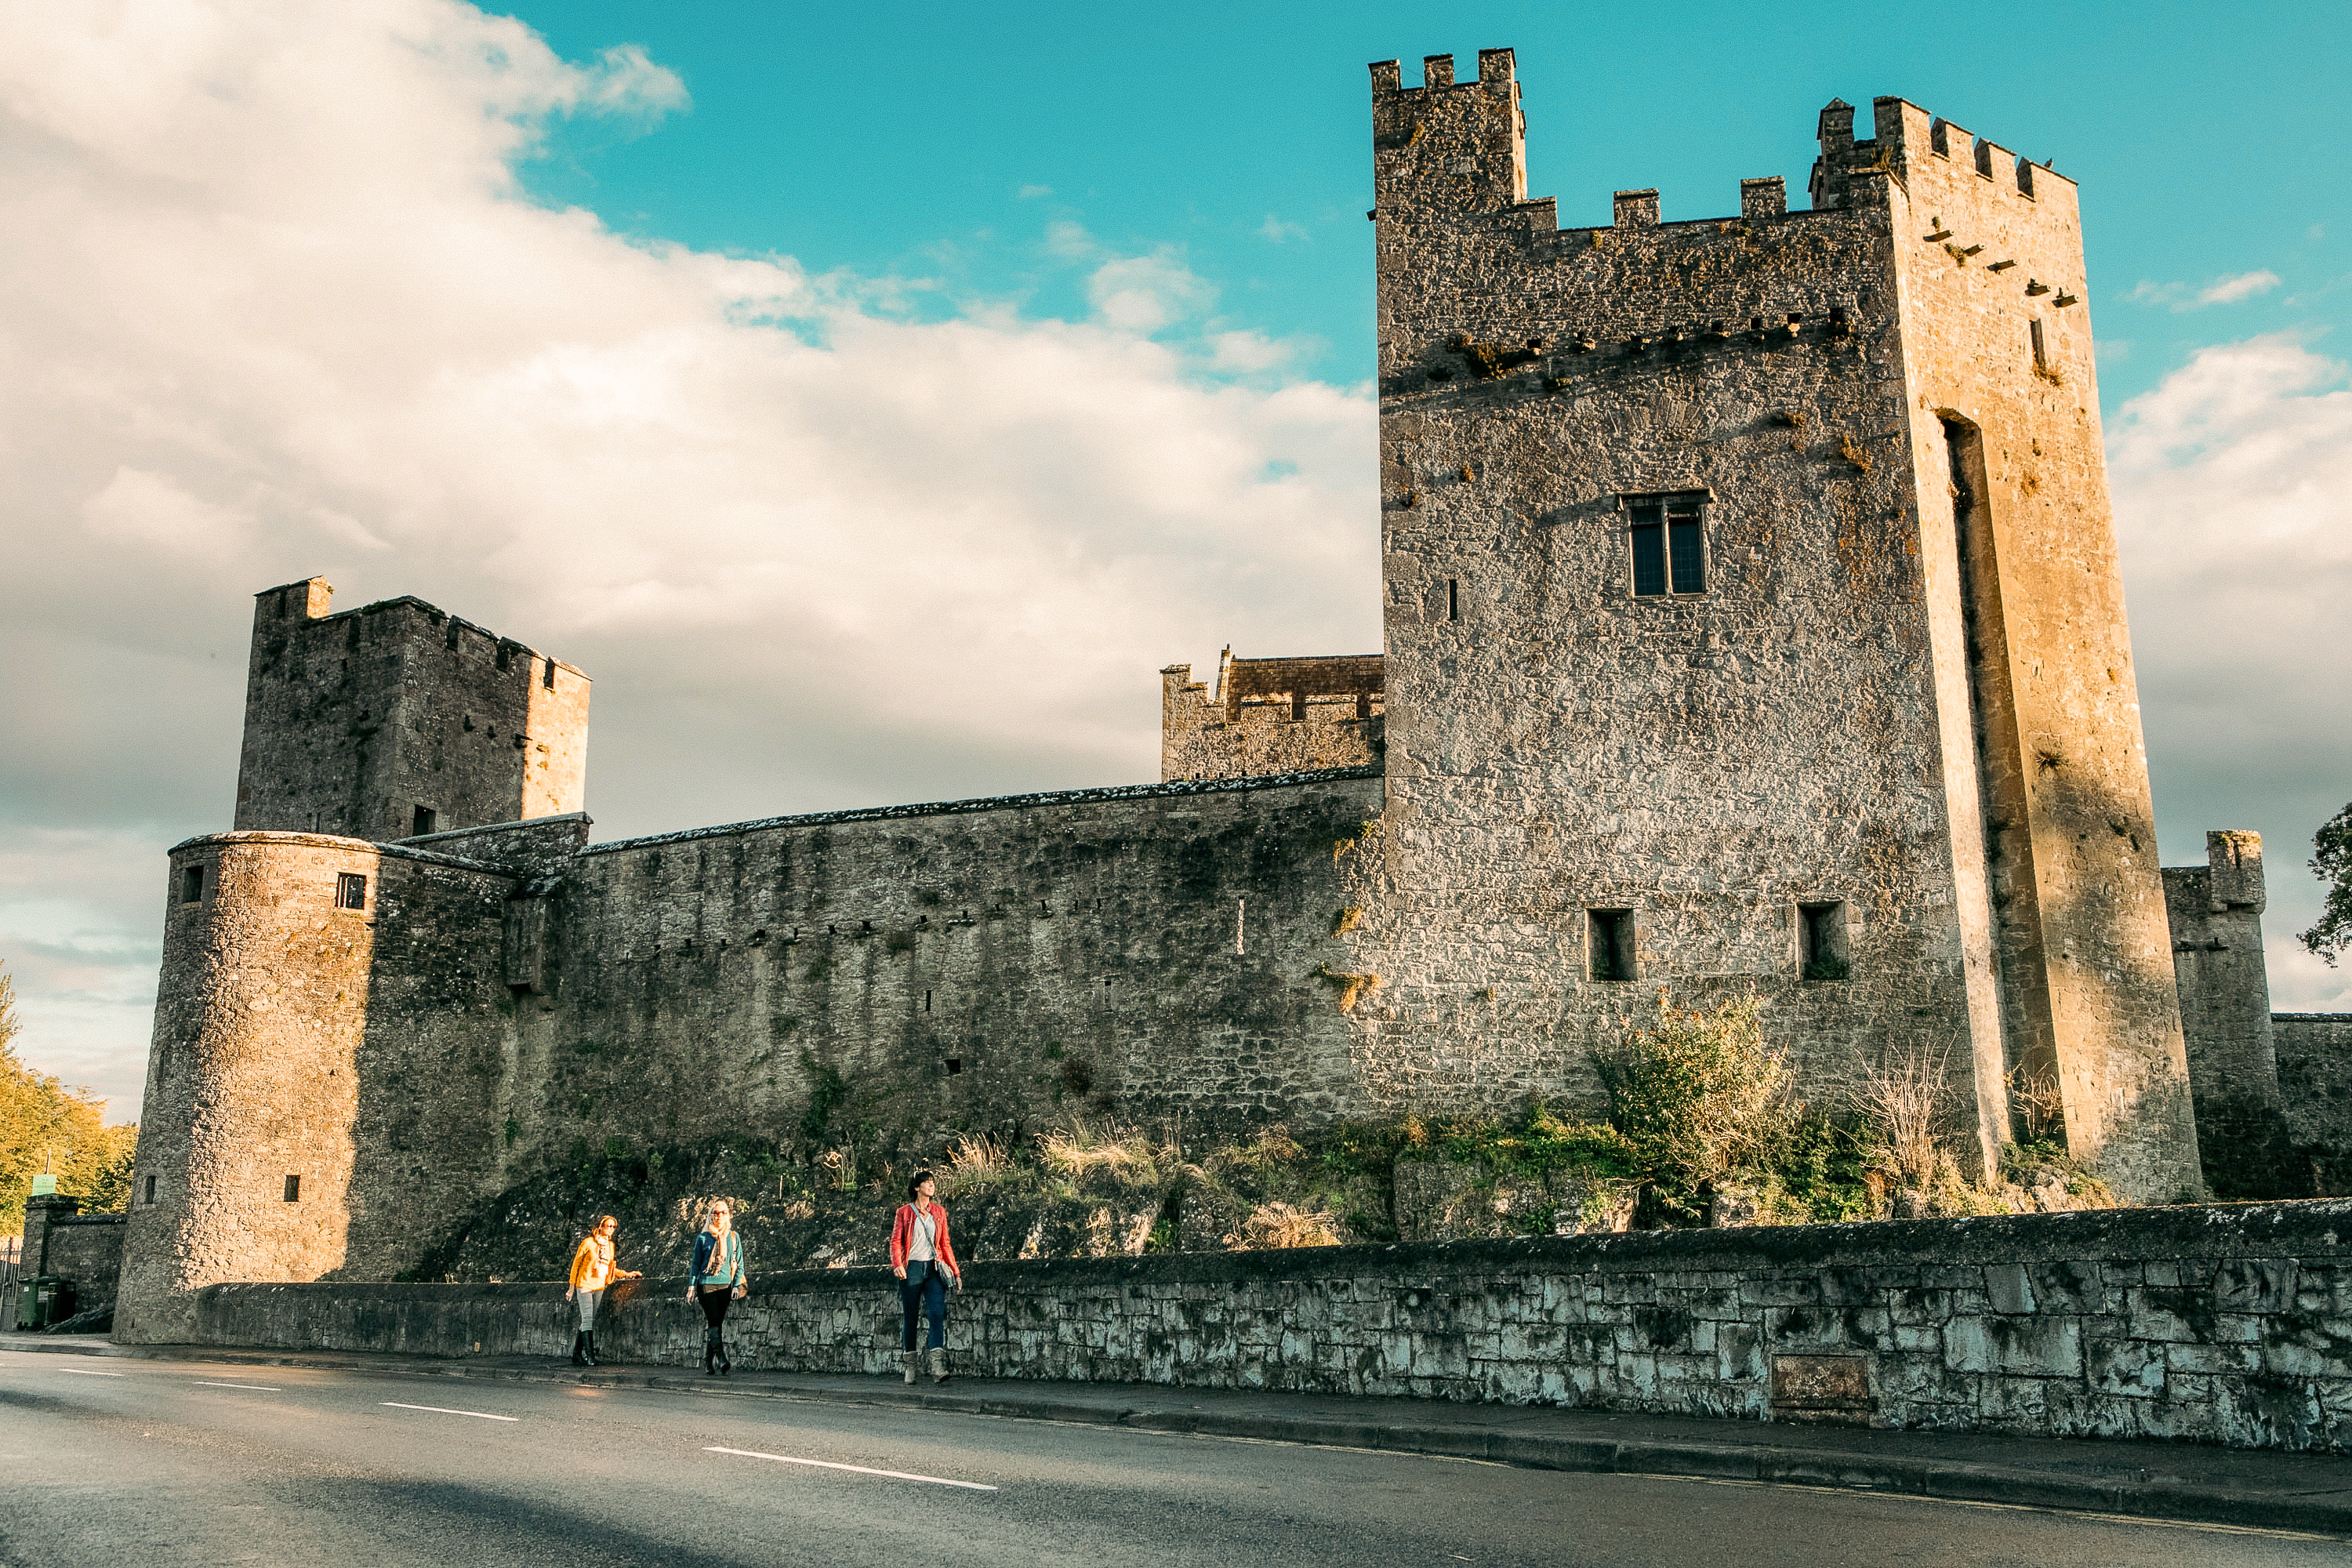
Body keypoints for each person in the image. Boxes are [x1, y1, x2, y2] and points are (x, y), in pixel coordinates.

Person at [889, 1171, 963, 1384]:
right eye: (927, 1182)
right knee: (910, 1317)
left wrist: (955, 1271)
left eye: (933, 1182)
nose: (931, 1186)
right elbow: (895, 1240)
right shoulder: (903, 1213)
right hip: (911, 1268)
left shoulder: (939, 1212)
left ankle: (937, 1367)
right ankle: (910, 1367)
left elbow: (945, 1243)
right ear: (916, 1187)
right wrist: (897, 1265)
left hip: (934, 1269)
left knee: (936, 1314)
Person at [564, 1214, 641, 1367]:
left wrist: (626, 1274)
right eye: (608, 1226)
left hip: (599, 1286)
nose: (611, 1229)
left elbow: (609, 1268)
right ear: (601, 1226)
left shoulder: (610, 1246)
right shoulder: (588, 1243)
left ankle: (576, 1354)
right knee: (587, 1320)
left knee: (589, 1319)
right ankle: (590, 1356)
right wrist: (571, 1288)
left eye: (613, 1226)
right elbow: (576, 1265)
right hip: (585, 1285)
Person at [688, 1199, 749, 1376]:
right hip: (706, 1285)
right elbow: (695, 1264)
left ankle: (708, 1360)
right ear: (710, 1216)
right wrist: (691, 1287)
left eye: (723, 1213)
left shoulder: (733, 1237)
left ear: (728, 1215)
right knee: (714, 1320)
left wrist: (736, 1285)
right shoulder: (703, 1238)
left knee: (716, 1323)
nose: (719, 1216)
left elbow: (740, 1264)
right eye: (716, 1213)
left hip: (725, 1285)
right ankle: (721, 1358)